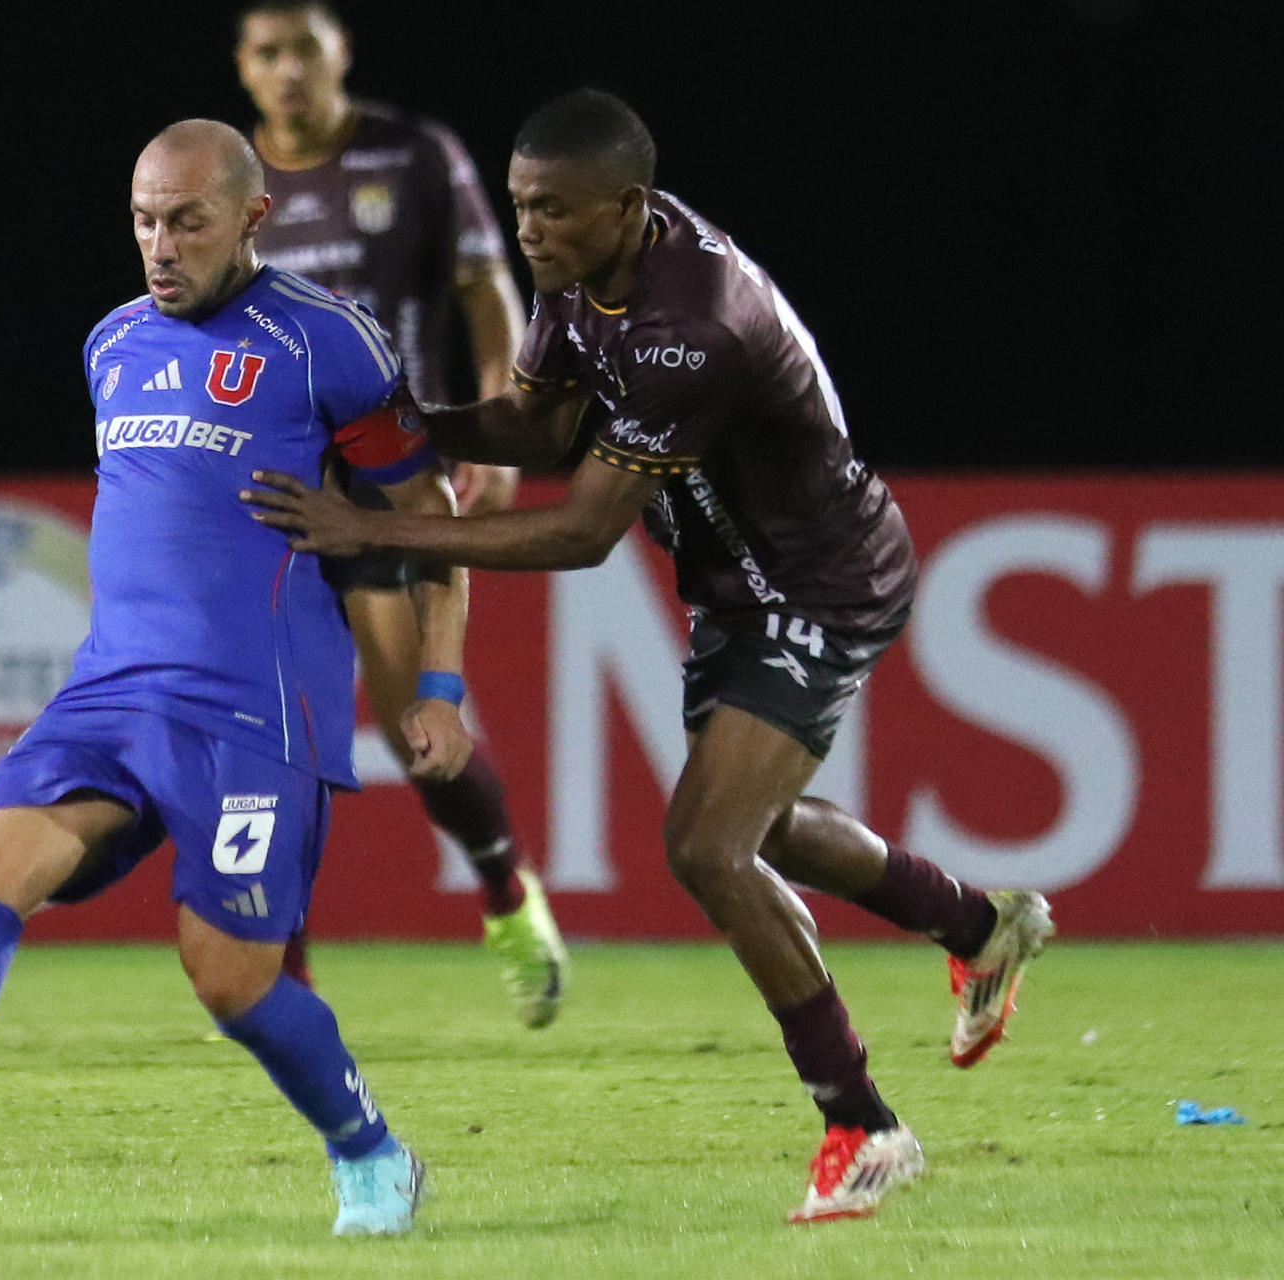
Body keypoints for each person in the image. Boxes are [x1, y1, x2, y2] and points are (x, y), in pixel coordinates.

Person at [242, 89, 1055, 1224]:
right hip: (736, 586)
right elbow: (533, 425)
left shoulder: (694, 325)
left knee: (707, 847)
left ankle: (863, 1123)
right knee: (759, 830)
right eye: (521, 207)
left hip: (823, 583)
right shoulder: (579, 270)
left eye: (555, 212)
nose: (530, 232)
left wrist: (369, 524)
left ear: (627, 206)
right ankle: (978, 922)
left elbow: (580, 532)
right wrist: (388, 423)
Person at [0, 120, 467, 1237]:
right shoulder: (113, 342)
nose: (161, 244)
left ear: (253, 216)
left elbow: (431, 522)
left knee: (230, 979)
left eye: (188, 221)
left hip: (256, 707)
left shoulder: (325, 342)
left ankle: (374, 1151)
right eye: (146, 221)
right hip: (110, 690)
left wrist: (433, 690)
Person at [233, 0, 568, 1027]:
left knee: (416, 727)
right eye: (266, 53)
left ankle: (506, 886)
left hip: (391, 476)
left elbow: (482, 284)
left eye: (304, 49)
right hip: (271, 485)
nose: (288, 70)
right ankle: (281, 961)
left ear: (340, 52)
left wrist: (506, 416)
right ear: (243, 68)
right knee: (263, 729)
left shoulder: (412, 155)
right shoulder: (227, 180)